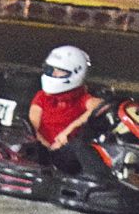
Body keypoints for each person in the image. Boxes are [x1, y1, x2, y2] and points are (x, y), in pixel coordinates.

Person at [28, 44, 111, 180]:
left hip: (68, 153)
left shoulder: (82, 99)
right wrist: (50, 146)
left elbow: (103, 106)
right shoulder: (42, 97)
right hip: (46, 153)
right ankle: (101, 180)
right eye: (50, 70)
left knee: (82, 144)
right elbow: (32, 128)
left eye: (59, 71)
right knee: (77, 146)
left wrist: (68, 131)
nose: (53, 74)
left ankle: (107, 177)